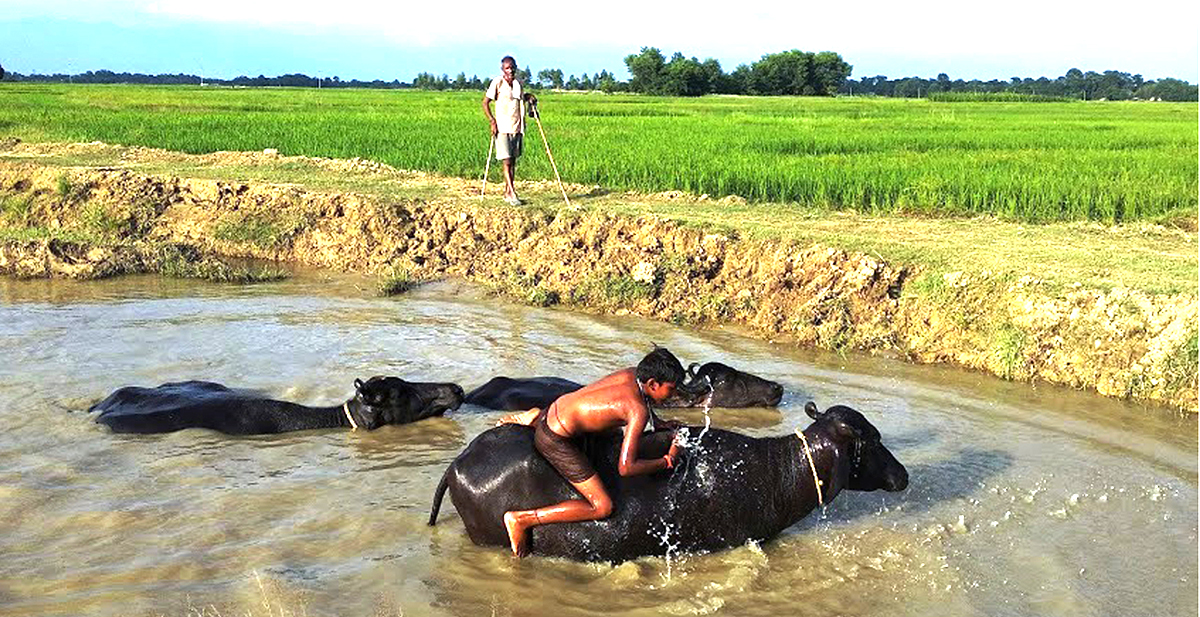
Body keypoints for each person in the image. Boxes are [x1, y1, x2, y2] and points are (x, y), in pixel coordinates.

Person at [495, 347, 686, 557]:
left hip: (555, 409)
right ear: (652, 384)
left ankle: (535, 416)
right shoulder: (636, 409)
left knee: (612, 428)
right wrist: (665, 461)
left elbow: (612, 398)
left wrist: (658, 423)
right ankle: (523, 519)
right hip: (554, 439)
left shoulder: (631, 374)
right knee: (602, 506)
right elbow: (626, 467)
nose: (674, 394)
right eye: (672, 389)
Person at [482, 55, 537, 205]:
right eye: (507, 68)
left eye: (513, 67)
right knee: (506, 161)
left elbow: (519, 97)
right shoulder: (497, 83)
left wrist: (529, 97)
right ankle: (512, 192)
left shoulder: (519, 83)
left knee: (512, 161)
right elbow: (485, 103)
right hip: (502, 127)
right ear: (502, 69)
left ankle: (507, 192)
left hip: (517, 126)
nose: (510, 70)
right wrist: (492, 121)